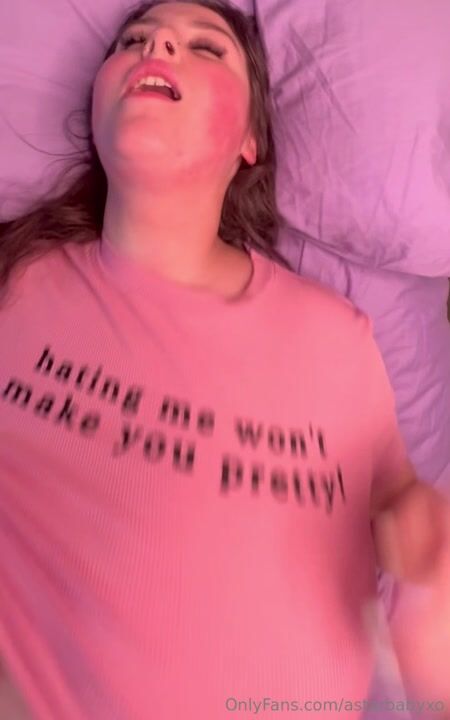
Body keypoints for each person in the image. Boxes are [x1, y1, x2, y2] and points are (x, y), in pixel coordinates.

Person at [0, 1, 448, 718]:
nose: (157, 45)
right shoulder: (18, 286)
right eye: (132, 40)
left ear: (249, 141)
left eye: (206, 48)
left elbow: (409, 547)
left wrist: (425, 559)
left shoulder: (334, 336)